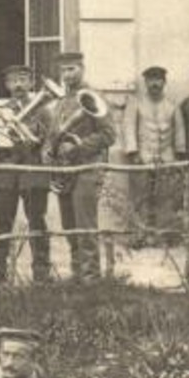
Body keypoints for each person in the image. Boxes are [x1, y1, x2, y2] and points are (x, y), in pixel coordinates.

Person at [45, 53, 116, 280]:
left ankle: (91, 277)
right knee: (70, 226)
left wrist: (77, 147)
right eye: (64, 70)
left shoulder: (94, 97)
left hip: (87, 168)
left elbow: (109, 135)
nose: (67, 75)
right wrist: (50, 150)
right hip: (64, 171)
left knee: (85, 226)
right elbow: (54, 134)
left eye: (72, 69)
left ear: (82, 69)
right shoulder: (62, 102)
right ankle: (77, 274)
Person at [0, 65, 52, 284]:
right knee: (0, 223)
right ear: (6, 85)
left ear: (31, 84)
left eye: (23, 80)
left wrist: (38, 136)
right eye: (13, 80)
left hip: (33, 172)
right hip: (5, 174)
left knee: (37, 222)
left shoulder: (43, 110)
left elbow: (50, 140)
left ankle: (41, 272)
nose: (18, 85)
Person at [123, 66, 185, 246]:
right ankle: (138, 235)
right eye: (151, 80)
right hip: (142, 157)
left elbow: (179, 130)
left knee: (166, 196)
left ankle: (164, 235)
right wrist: (133, 153)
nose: (155, 84)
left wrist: (179, 154)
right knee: (139, 196)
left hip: (166, 157)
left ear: (164, 83)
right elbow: (128, 128)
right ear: (145, 83)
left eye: (158, 80)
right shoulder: (136, 104)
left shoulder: (172, 105)